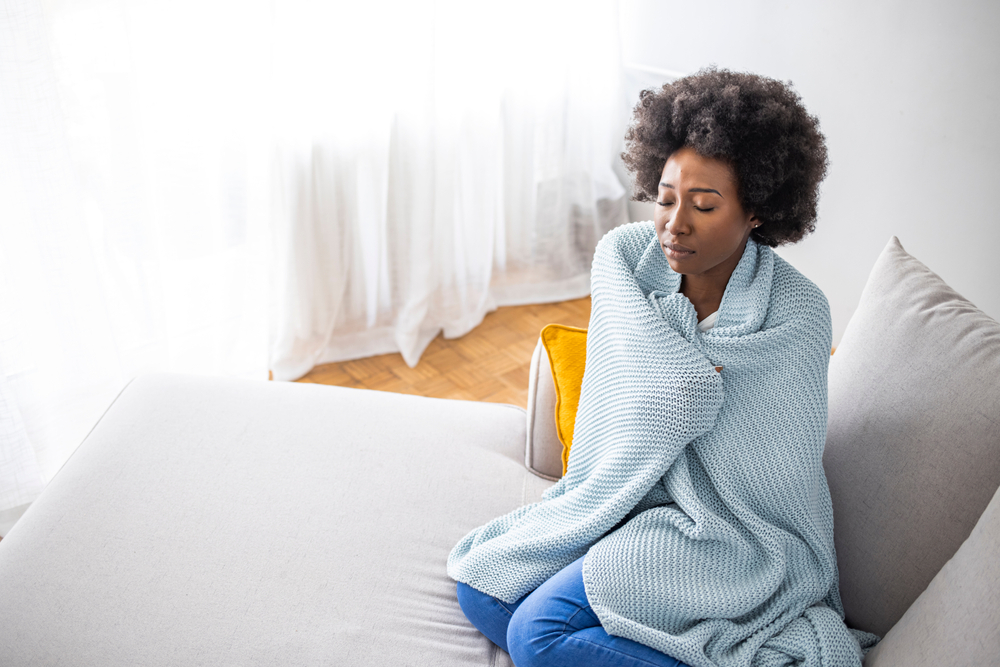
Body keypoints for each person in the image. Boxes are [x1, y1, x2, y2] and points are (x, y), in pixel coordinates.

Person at [448, 68, 878, 667]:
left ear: (756, 211)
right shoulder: (624, 258)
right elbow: (649, 396)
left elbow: (774, 467)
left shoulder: (799, 312)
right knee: (481, 586)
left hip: (733, 533)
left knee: (532, 636)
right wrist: (691, 381)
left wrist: (684, 383)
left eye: (704, 205)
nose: (674, 224)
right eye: (667, 197)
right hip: (626, 492)